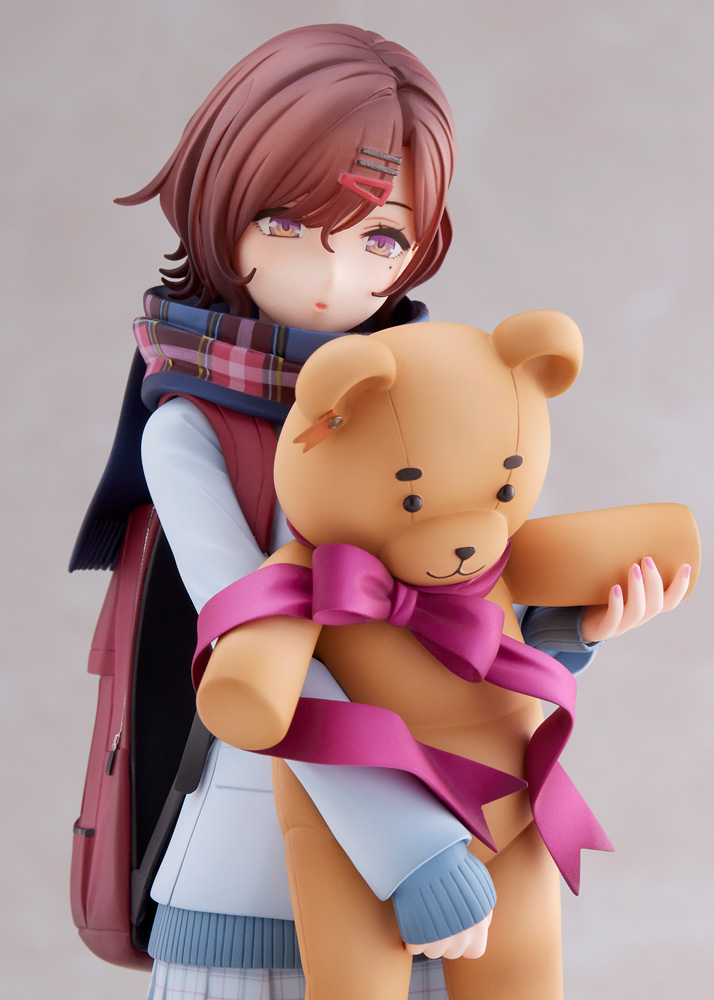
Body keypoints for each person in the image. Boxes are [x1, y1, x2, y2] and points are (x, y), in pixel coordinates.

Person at [90, 24, 686, 1000]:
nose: (333, 279)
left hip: (458, 843)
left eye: (379, 239)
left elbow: (461, 590)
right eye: (286, 224)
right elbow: (261, 650)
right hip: (273, 858)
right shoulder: (193, 428)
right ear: (220, 204)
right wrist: (409, 850)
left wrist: (564, 632)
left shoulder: (430, 384)